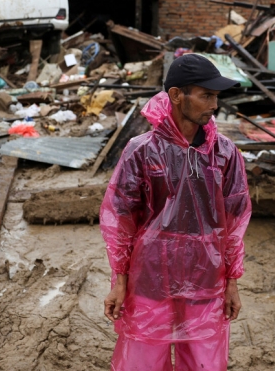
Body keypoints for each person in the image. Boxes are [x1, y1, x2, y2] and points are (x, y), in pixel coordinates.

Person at [100, 54, 253, 371]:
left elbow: (234, 223)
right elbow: (121, 222)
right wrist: (120, 280)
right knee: (142, 362)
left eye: (216, 96)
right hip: (151, 274)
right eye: (206, 95)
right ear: (176, 95)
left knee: (203, 363)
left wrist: (231, 282)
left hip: (206, 277)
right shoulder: (141, 151)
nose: (214, 105)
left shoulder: (224, 153)